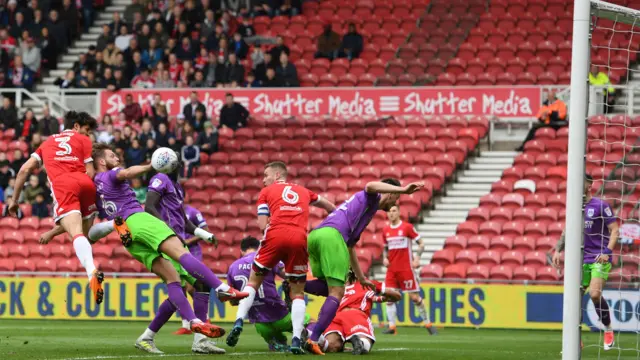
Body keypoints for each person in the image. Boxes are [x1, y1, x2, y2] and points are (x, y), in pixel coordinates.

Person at [302, 179, 424, 354]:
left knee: (326, 287)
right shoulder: (371, 198)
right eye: (396, 199)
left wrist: (361, 278)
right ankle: (313, 339)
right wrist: (404, 189)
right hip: (332, 237)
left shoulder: (366, 212)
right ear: (392, 193)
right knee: (337, 291)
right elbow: (370, 185)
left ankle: (293, 283)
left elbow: (350, 247)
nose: (394, 204)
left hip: (315, 236)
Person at [226, 161, 336, 353]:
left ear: (277, 175)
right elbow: (329, 206)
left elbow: (262, 224)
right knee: (297, 292)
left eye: (265, 175)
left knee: (253, 282)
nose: (263, 180)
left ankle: (238, 321)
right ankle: (295, 339)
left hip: (275, 235)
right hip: (300, 239)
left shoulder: (266, 192)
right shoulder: (304, 191)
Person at [6, 111, 104, 304]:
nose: (87, 133)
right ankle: (114, 225)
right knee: (85, 235)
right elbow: (91, 172)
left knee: (76, 234)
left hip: (63, 185)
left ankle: (91, 271)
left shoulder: (47, 143)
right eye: (86, 129)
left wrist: (14, 200)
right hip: (85, 183)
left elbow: (25, 170)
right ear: (76, 126)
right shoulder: (84, 140)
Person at [551, 174, 618, 351]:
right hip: (580, 259)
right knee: (574, 301)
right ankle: (575, 341)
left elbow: (615, 231)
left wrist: (607, 252)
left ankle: (608, 328)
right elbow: (567, 230)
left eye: (581, 181)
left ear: (589, 185)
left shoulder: (601, 206)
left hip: (599, 257)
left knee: (595, 294)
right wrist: (558, 249)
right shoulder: (573, 208)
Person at [228, 236, 312, 352]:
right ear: (258, 248)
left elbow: (232, 300)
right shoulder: (266, 259)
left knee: (277, 344)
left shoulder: (232, 267)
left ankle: (275, 342)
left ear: (241, 251)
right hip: (279, 313)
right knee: (311, 322)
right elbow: (289, 276)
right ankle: (305, 338)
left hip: (259, 321)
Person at [316, 270, 401, 354]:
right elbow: (396, 295)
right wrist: (386, 296)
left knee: (331, 346)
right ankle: (360, 342)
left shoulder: (336, 288)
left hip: (335, 317)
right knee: (365, 344)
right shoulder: (367, 283)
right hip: (355, 314)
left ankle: (315, 338)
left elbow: (325, 309)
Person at [381, 205, 436, 335]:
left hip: (406, 269)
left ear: (399, 212)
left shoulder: (407, 227)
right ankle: (392, 327)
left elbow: (421, 243)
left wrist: (417, 258)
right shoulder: (386, 230)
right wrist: (384, 258)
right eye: (389, 211)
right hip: (392, 270)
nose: (391, 213)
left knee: (415, 298)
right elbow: (385, 248)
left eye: (394, 211)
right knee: (389, 297)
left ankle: (428, 323)